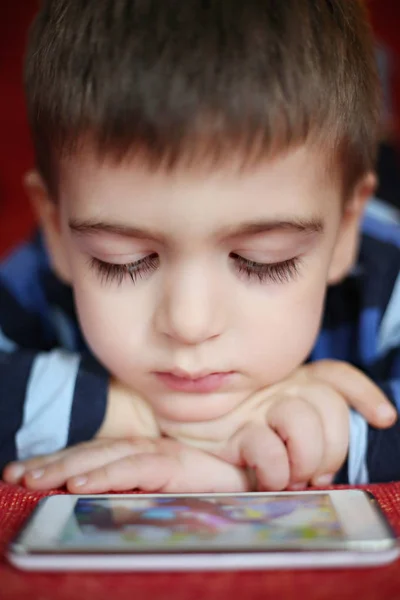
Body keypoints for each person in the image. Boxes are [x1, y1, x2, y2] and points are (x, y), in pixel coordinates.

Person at [1, 0, 400, 494]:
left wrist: (310, 441)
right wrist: (123, 412)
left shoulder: (387, 274)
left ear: (344, 232)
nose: (189, 324)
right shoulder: (43, 269)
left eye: (263, 263)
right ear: (56, 227)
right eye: (122, 262)